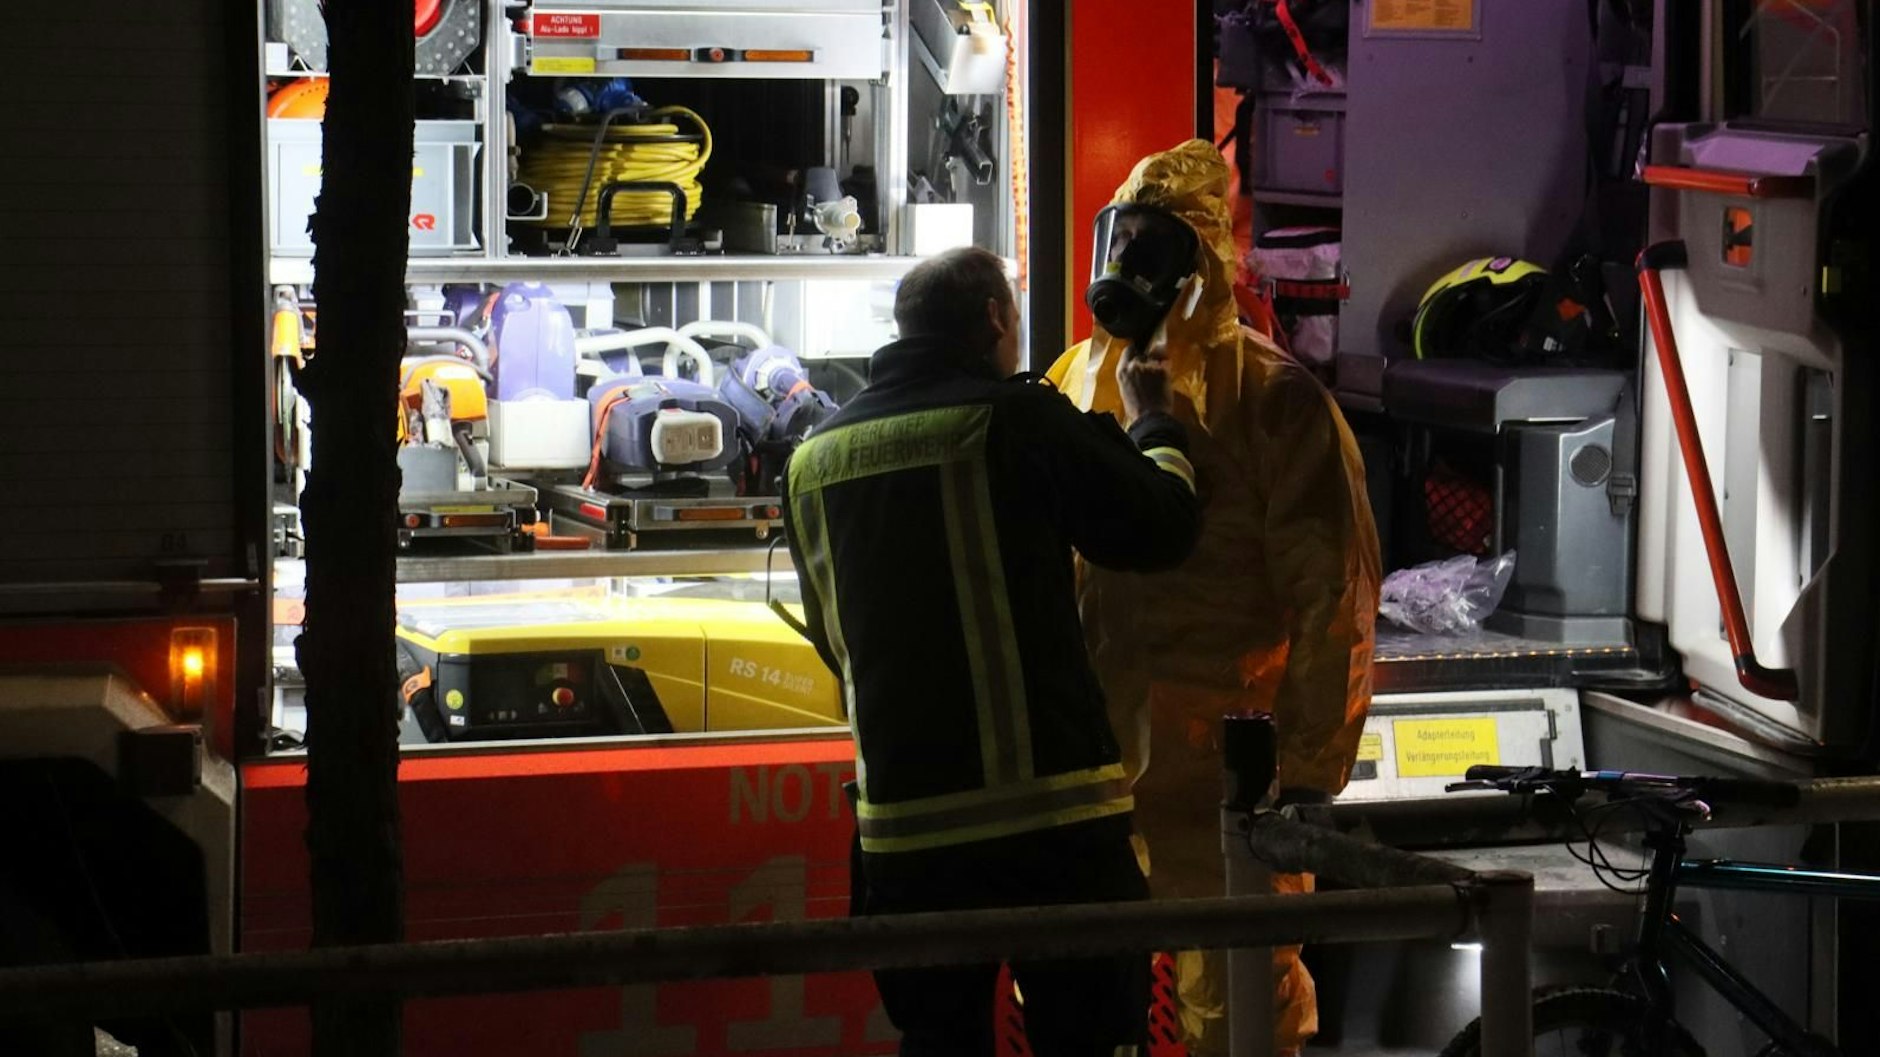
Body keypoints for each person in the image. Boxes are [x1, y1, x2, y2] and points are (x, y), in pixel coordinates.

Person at [783, 246, 1202, 1057]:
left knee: (940, 1043)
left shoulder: (812, 461)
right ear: (995, 321)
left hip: (903, 843)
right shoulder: (1013, 418)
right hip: (1055, 828)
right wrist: (1155, 424)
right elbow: (1161, 527)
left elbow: (840, 643)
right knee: (1087, 1040)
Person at [1047, 140, 1381, 1056]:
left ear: (1198, 265)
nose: (1125, 268)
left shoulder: (1275, 402)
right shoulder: (1075, 380)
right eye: (1119, 241)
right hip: (1098, 769)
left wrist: (1308, 775)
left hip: (1227, 778)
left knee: (1237, 1004)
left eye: (1151, 248)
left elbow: (1333, 600)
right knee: (1092, 1004)